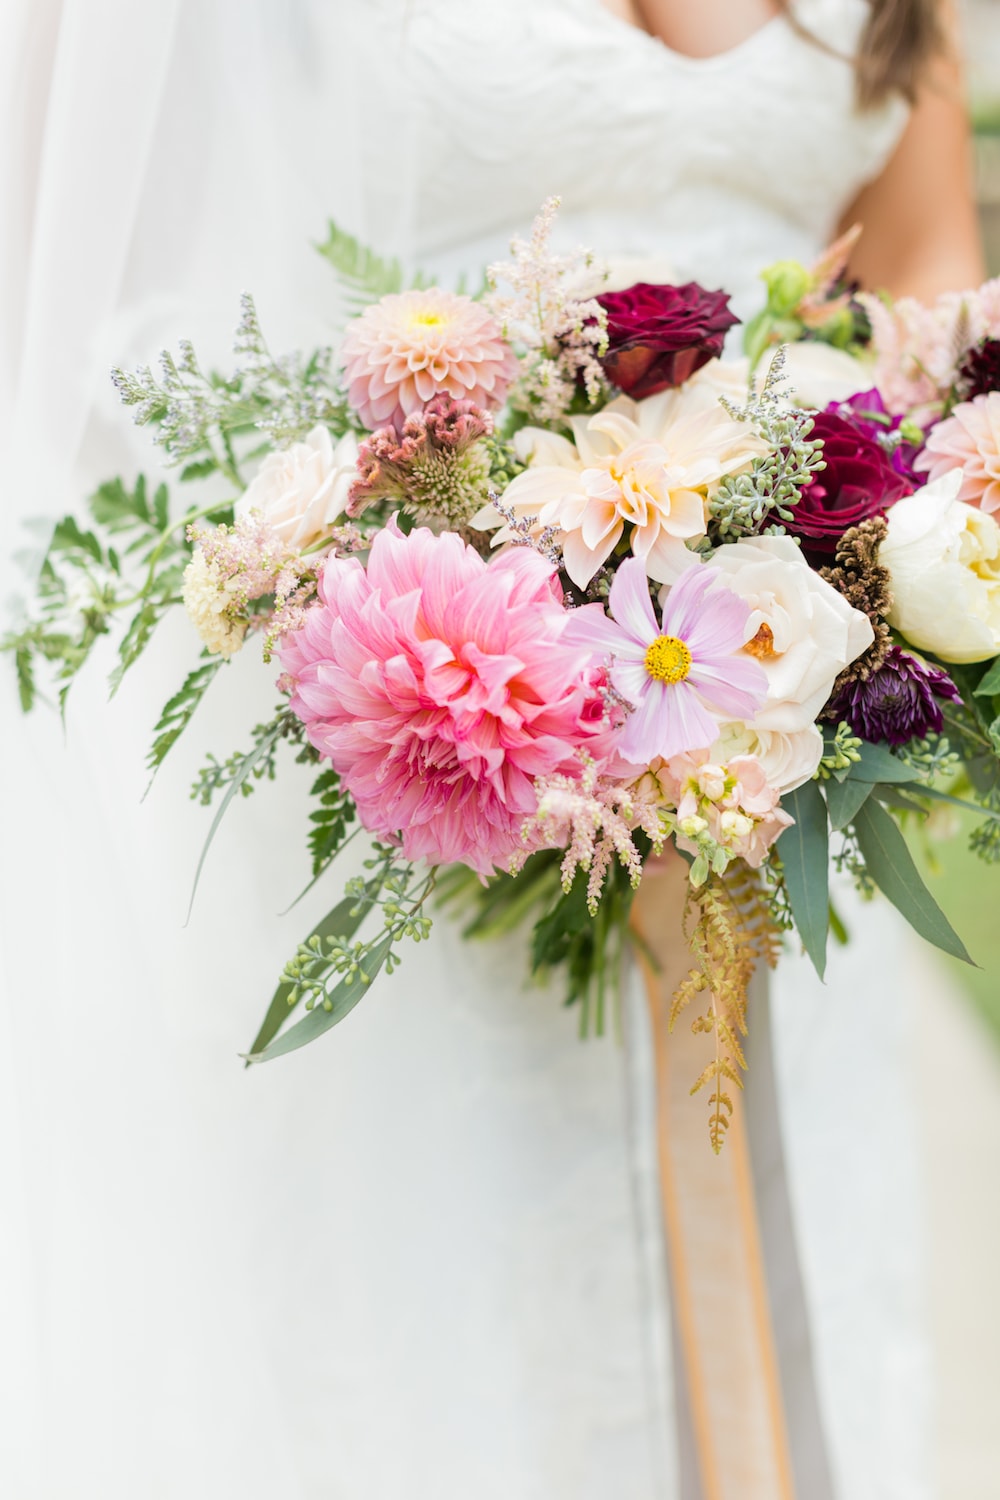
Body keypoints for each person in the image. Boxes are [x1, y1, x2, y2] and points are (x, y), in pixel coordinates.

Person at [0, 1, 985, 1496]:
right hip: (430, 758)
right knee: (459, 1306)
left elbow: (924, 258)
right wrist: (412, 589)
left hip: (776, 756)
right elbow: (106, 312)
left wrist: (898, 541)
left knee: (792, 1266)